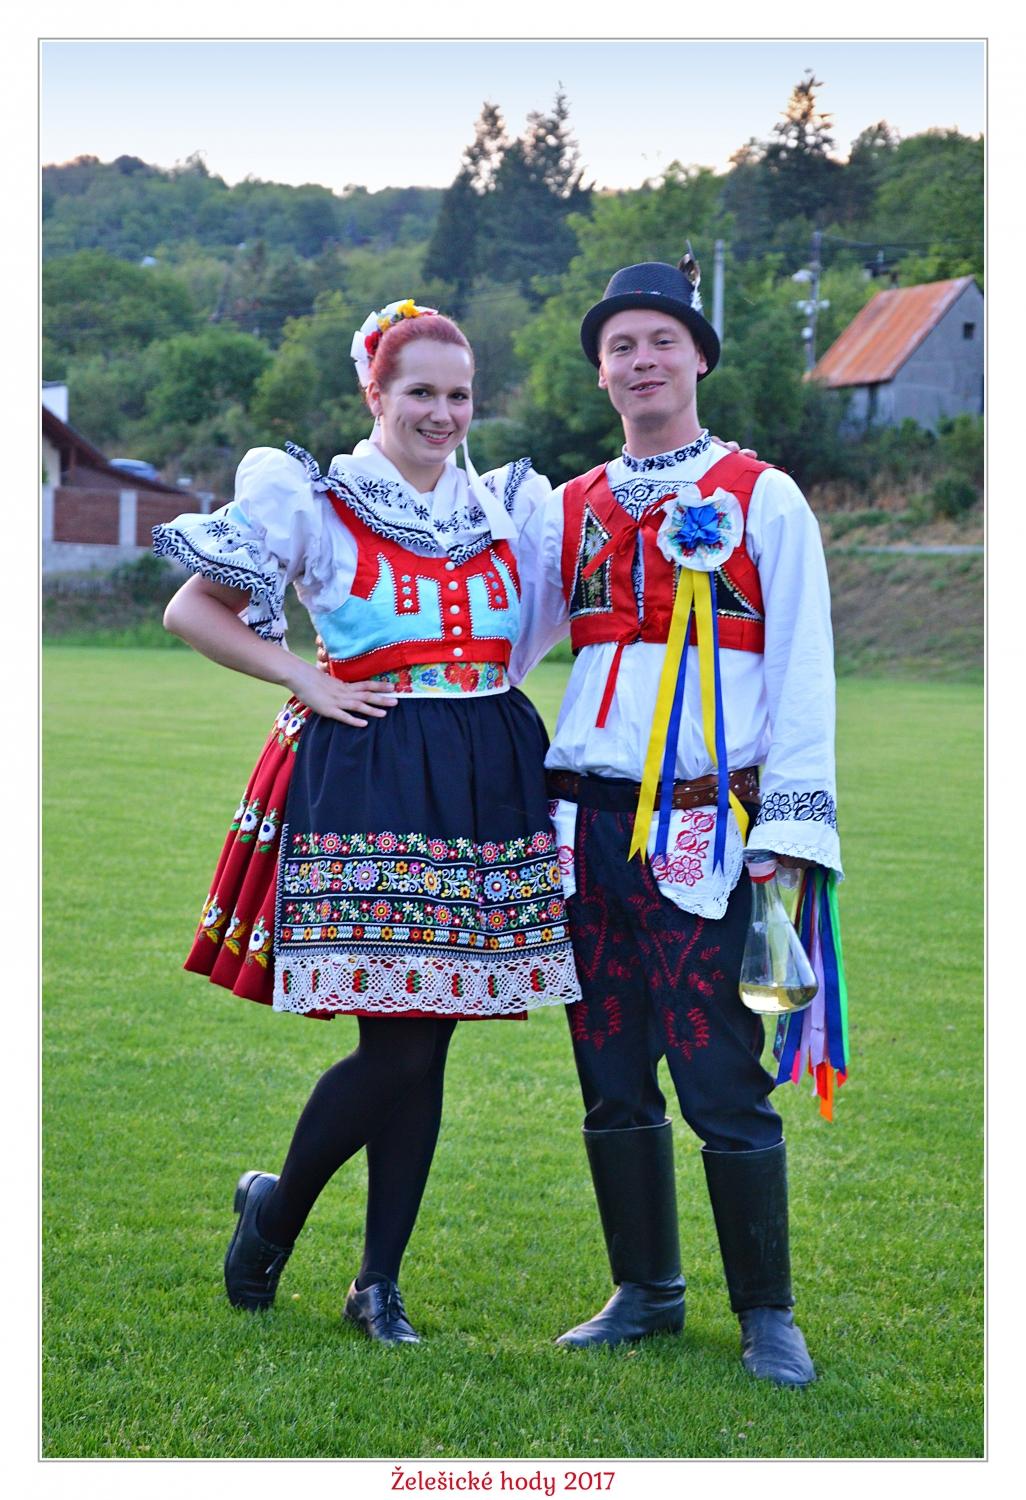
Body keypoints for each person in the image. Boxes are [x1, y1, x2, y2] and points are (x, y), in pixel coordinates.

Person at [153, 299, 580, 1345]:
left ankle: (375, 1282)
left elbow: (527, 637)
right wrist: (306, 676)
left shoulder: (507, 508)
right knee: (396, 1044)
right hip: (371, 770)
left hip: (482, 778)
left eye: (459, 394)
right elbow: (191, 609)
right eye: (420, 391)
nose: (443, 413)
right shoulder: (316, 499)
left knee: (429, 1038)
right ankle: (276, 1214)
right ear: (374, 393)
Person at [510, 254, 845, 1386]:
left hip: (708, 828)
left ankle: (768, 1314)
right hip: (583, 828)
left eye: (661, 341)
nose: (641, 360)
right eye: (621, 346)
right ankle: (646, 1291)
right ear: (601, 374)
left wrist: (786, 834)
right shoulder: (566, 509)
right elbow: (506, 648)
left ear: (698, 357)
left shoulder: (762, 494)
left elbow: (803, 668)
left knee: (719, 1076)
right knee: (609, 1072)